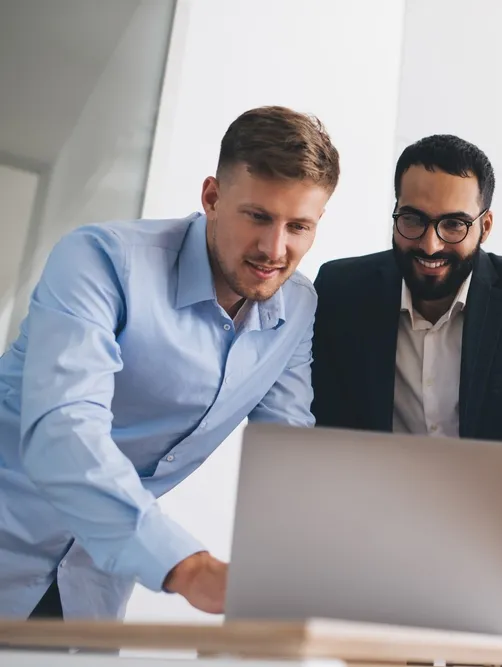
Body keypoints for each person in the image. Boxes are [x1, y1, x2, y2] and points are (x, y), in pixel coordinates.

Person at [0, 105, 340, 620]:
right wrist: (191, 569)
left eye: (298, 226)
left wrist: (322, 565)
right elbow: (64, 432)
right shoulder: (101, 260)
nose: (275, 249)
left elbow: (286, 453)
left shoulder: (296, 307)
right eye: (258, 216)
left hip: (91, 589)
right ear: (212, 197)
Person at [310, 134, 502, 638]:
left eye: (453, 225)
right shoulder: (340, 290)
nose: (430, 244)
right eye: (413, 220)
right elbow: (320, 426)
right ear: (395, 212)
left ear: (485, 225)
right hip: (369, 562)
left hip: (498, 561)